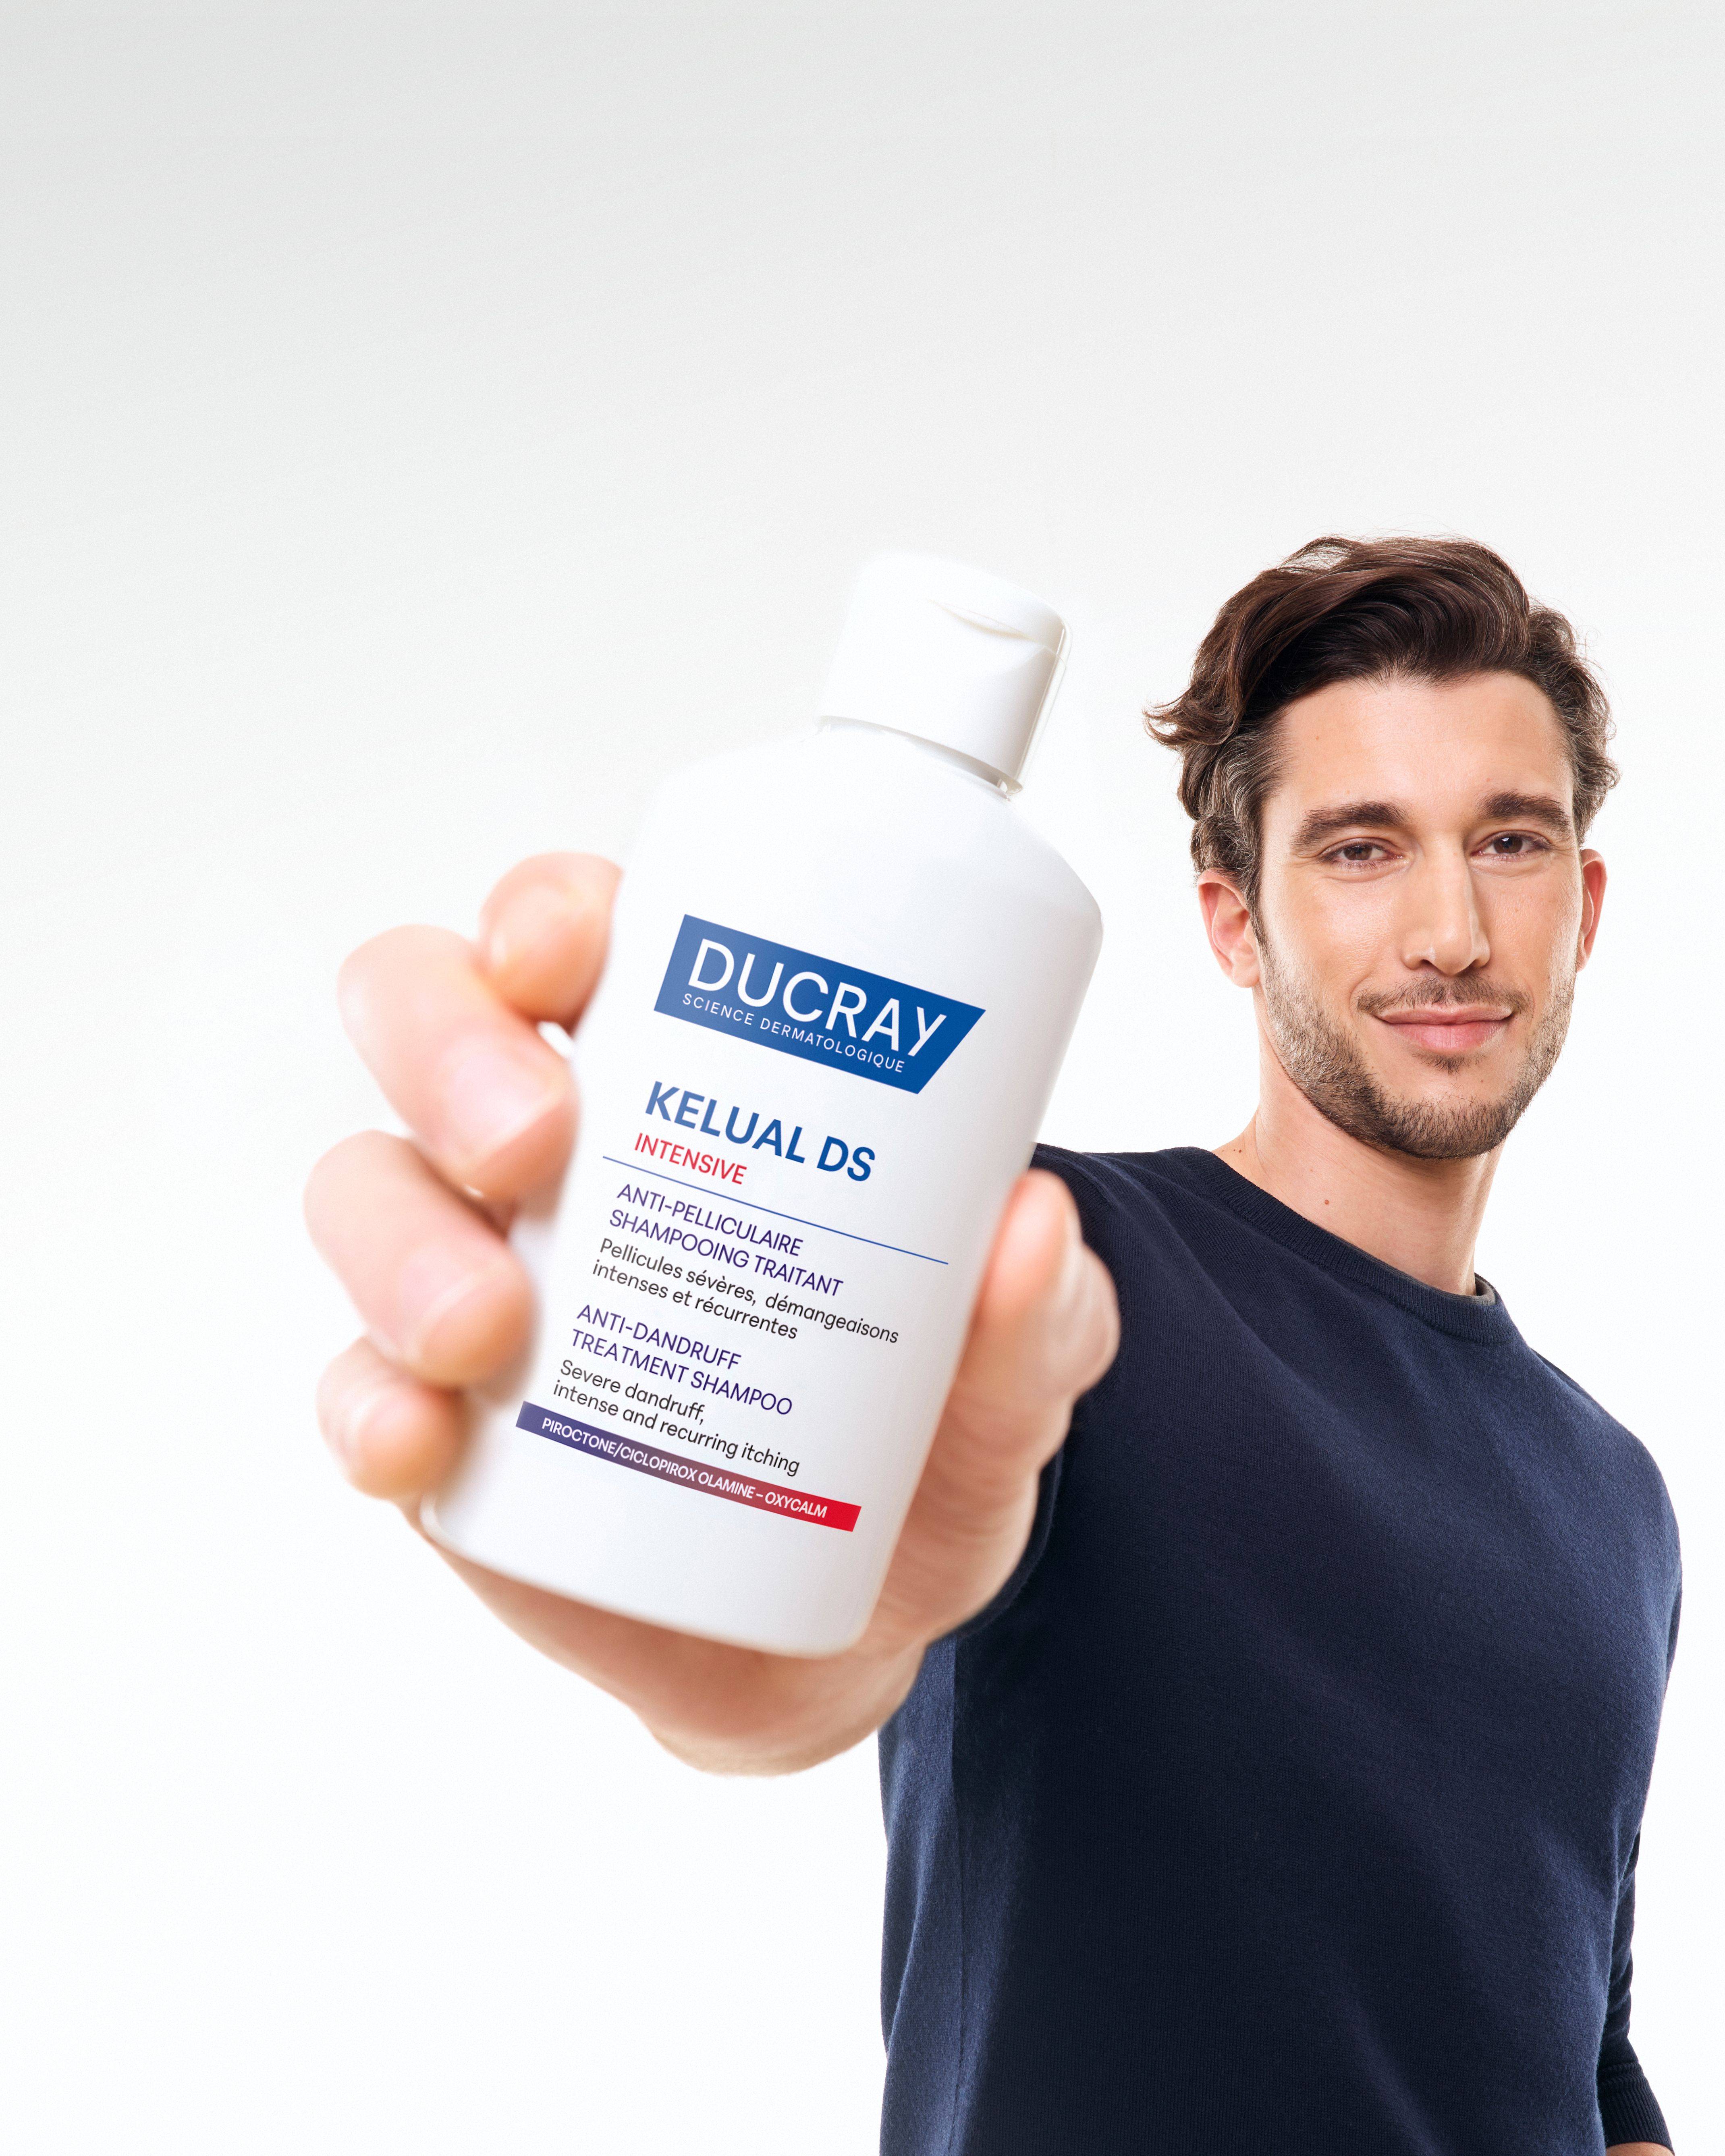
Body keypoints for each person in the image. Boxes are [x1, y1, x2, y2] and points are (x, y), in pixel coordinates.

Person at [306, 537, 1679, 2155]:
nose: (1451, 930)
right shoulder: (1044, 1274)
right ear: (1237, 923)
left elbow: (1582, 2045)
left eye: (1509, 841)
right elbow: (802, 1663)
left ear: (1583, 904)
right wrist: (746, 1644)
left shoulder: (1619, 1499)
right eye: (1361, 849)